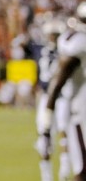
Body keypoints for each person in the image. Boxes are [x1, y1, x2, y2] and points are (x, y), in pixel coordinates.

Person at [39, 2, 86, 181]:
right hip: (74, 105)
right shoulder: (77, 41)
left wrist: (45, 126)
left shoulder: (77, 42)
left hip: (81, 113)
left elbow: (57, 83)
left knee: (82, 171)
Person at [36, 16, 74, 181]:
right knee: (44, 134)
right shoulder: (41, 49)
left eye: (55, 34)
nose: (52, 37)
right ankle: (47, 176)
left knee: (64, 133)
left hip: (62, 97)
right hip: (46, 98)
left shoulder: (66, 50)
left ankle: (64, 171)